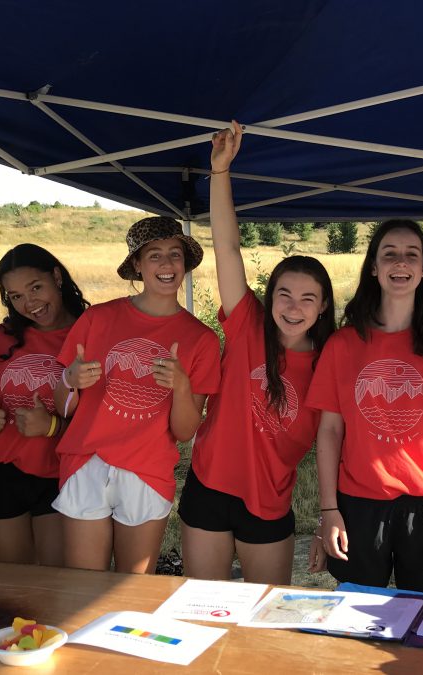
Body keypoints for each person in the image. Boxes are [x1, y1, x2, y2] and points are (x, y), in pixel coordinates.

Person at [179, 122, 336, 584]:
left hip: (269, 501)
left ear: (323, 306)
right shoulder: (248, 326)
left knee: (262, 622)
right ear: (269, 298)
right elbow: (227, 248)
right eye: (284, 295)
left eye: (308, 299)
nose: (293, 307)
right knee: (200, 612)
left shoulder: (331, 360)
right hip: (209, 485)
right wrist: (220, 172)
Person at [308, 219, 423, 594]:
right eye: (389, 254)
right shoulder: (343, 345)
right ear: (373, 267)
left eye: (411, 255)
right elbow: (330, 430)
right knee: (354, 616)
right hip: (357, 503)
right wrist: (328, 511)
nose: (400, 263)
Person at [53, 216, 222, 574]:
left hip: (147, 470)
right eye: (154, 255)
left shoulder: (201, 339)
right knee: (82, 586)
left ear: (185, 264)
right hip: (87, 462)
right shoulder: (97, 318)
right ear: (137, 265)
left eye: (175, 255)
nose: (166, 264)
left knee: (131, 590)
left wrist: (181, 386)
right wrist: (70, 378)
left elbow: (185, 430)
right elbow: (61, 405)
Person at [0, 244, 89, 566]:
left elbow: (100, 421)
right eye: (16, 296)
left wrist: (51, 426)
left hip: (58, 473)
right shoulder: (0, 339)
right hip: (0, 472)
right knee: (11, 587)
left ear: (56, 276)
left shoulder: (90, 333)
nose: (30, 303)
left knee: (51, 587)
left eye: (36, 288)